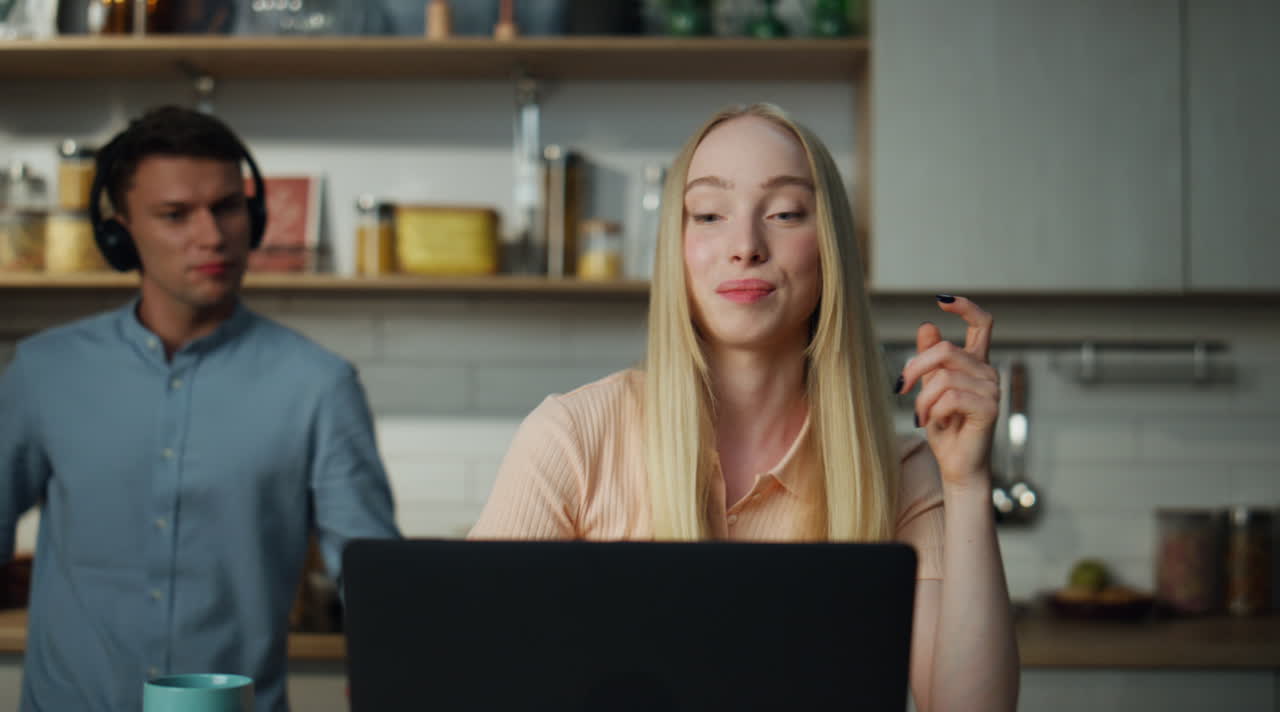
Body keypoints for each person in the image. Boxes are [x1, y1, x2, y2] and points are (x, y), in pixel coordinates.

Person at [471, 103, 1018, 711]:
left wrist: (967, 483)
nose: (745, 247)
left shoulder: (903, 473)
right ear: (676, 248)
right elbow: (466, 673)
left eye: (785, 213)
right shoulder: (572, 437)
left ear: (831, 246)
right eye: (708, 214)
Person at [0, 106, 400, 712]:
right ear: (119, 232)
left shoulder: (319, 386)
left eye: (227, 207)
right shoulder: (43, 372)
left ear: (255, 216)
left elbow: (379, 587)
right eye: (174, 215)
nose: (211, 236)